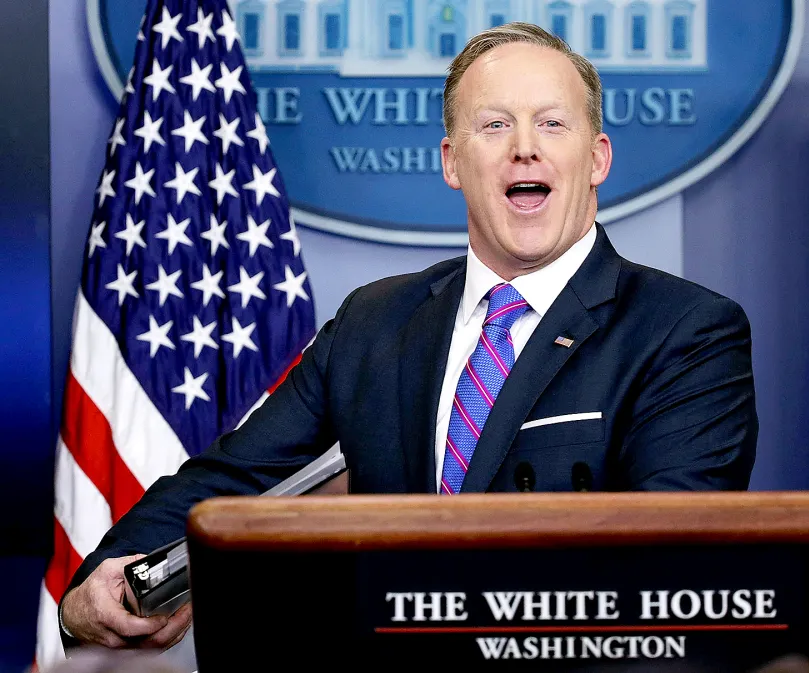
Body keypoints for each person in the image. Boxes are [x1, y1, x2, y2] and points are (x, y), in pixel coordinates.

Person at [60, 22, 757, 650]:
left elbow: (671, 573)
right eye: (495, 125)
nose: (524, 148)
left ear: (597, 158)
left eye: (551, 123)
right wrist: (96, 582)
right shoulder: (375, 320)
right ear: (452, 162)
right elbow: (233, 478)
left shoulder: (687, 331)